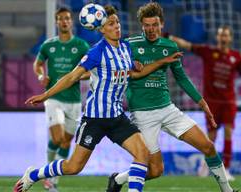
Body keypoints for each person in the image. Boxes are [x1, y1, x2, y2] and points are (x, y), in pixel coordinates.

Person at [13, 5, 181, 192]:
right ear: (101, 28)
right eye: (111, 23)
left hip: (117, 117)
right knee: (73, 167)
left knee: (142, 154)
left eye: (117, 22)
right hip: (95, 118)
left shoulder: (126, 48)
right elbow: (72, 76)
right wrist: (45, 94)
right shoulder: (96, 52)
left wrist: (140, 64)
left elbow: (132, 70)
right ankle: (33, 175)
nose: (117, 26)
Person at [105, 2, 238, 192]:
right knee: (156, 170)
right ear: (142, 25)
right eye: (147, 25)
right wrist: (128, 64)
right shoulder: (128, 46)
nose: (151, 30)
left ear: (162, 24)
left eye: (155, 25)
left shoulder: (169, 46)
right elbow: (114, 66)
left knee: (208, 147)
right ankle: (119, 179)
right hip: (143, 114)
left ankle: (228, 190)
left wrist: (202, 103)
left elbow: (181, 77)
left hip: (168, 110)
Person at [170, 25, 241, 181]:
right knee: (211, 136)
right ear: (217, 37)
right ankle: (205, 166)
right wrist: (171, 38)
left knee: (228, 132)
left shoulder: (236, 57)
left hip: (228, 102)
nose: (223, 38)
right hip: (212, 102)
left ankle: (227, 169)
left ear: (230, 38)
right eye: (221, 35)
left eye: (226, 35)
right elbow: (188, 45)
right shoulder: (208, 52)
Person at [33, 7, 90, 191]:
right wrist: (42, 76)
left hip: (73, 101)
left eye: (67, 18)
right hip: (54, 98)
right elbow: (38, 64)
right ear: (57, 22)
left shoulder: (81, 45)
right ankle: (48, 176)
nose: (64, 21)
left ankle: (52, 180)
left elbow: (91, 70)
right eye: (60, 19)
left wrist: (77, 76)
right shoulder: (48, 45)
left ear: (71, 21)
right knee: (57, 138)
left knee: (66, 141)